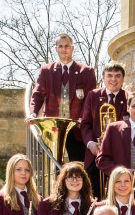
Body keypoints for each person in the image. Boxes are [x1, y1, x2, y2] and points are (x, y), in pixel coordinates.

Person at [28, 32, 97, 164]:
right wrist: (33, 113)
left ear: (72, 48)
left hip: (76, 128)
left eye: (67, 46)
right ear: (56, 49)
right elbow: (37, 94)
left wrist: (83, 118)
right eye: (61, 46)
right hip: (53, 128)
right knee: (52, 166)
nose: (64, 49)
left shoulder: (86, 72)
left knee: (76, 166)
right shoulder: (46, 71)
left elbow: (90, 100)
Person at [81, 61, 131, 195]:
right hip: (95, 154)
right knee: (93, 194)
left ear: (122, 79)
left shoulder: (129, 97)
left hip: (118, 156)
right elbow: (85, 124)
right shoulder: (93, 95)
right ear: (103, 78)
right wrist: (91, 143)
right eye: (110, 75)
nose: (113, 79)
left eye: (117, 76)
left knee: (118, 193)